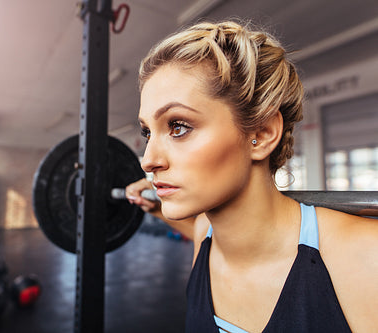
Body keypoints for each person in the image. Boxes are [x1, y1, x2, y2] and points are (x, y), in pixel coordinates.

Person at [125, 20, 378, 332]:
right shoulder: (205, 232)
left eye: (178, 126)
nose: (149, 161)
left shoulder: (368, 257)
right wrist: (153, 204)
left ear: (262, 133)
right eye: (148, 132)